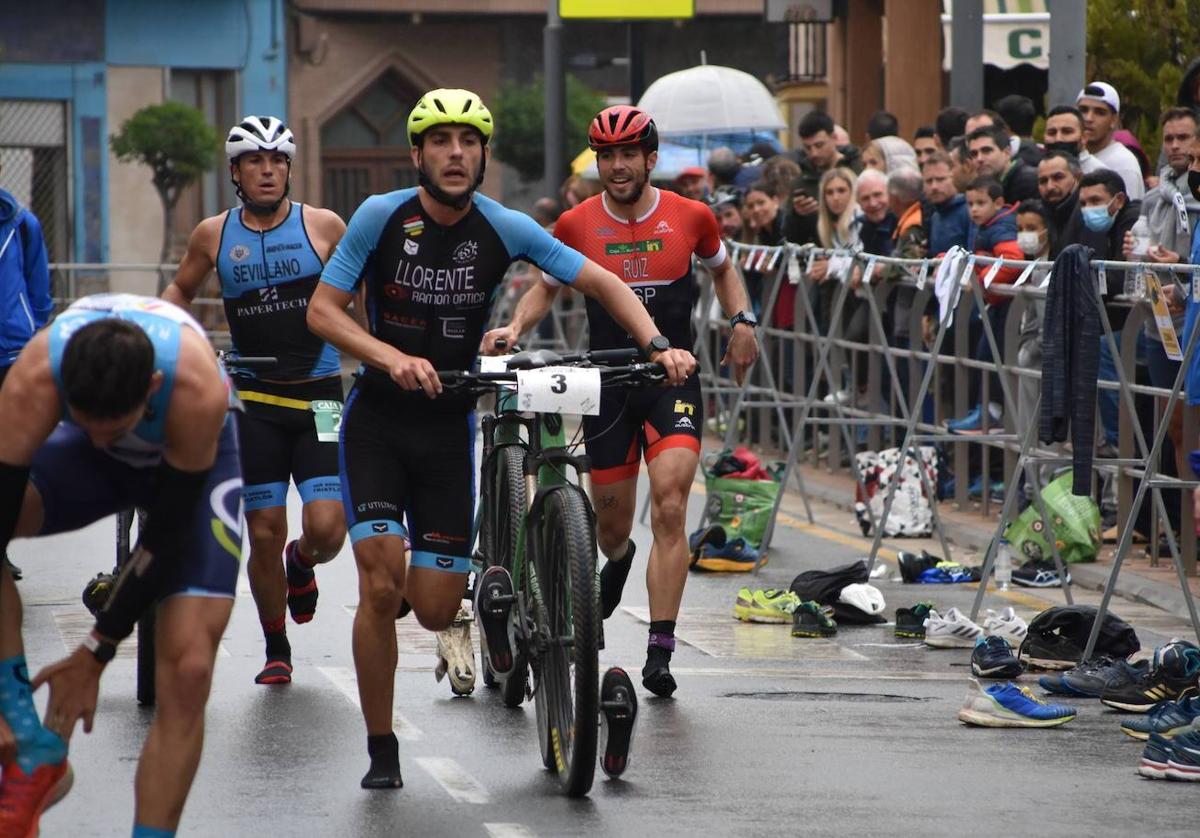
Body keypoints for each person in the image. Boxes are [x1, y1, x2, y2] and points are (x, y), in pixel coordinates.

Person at [306, 91, 698, 787]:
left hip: (447, 426)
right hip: (378, 422)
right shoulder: (378, 217)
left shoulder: (503, 224)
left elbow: (602, 281)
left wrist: (660, 344)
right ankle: (382, 748)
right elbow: (322, 312)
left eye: (469, 142)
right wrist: (387, 356)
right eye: (440, 141)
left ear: (484, 156)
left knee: (430, 606)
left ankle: (472, 603)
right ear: (417, 154)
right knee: (377, 582)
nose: (456, 153)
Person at [483, 104, 758, 700]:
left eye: (627, 154)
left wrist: (742, 320)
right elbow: (546, 288)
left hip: (672, 379)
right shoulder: (578, 223)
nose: (616, 165)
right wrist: (515, 330)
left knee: (670, 504)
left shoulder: (693, 216)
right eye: (606, 155)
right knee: (609, 529)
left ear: (650, 159)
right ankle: (620, 554)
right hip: (605, 384)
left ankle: (660, 650)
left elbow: (725, 270)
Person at [0, 293, 241, 836]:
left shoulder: (194, 389)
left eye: (114, 425)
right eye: (89, 422)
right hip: (84, 463)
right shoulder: (33, 377)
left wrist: (95, 653)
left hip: (186, 460)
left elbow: (165, 537)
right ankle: (29, 748)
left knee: (190, 668)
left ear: (150, 390)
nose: (105, 434)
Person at [163, 116, 350, 689]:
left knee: (328, 528)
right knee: (262, 529)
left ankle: (303, 562)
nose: (267, 171)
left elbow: (358, 301)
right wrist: (163, 338)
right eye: (254, 162)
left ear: (289, 169)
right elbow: (180, 292)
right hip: (254, 401)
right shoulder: (213, 235)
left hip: (319, 396)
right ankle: (277, 646)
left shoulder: (323, 226)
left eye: (277, 162)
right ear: (236, 173)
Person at [0, 163, 52, 584]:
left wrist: (36, 337)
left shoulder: (20, 223)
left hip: (13, 354)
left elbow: (38, 289)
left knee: (12, 458)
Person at [945, 176, 1022, 433]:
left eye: (980, 202)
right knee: (984, 355)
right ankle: (985, 410)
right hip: (996, 305)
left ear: (998, 202)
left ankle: (992, 412)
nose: (974, 209)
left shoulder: (1000, 227)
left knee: (992, 356)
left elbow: (1012, 259)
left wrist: (979, 279)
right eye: (969, 203)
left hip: (1006, 305)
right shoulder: (989, 225)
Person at [786, 110, 863, 245]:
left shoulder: (857, 168)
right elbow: (791, 236)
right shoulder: (801, 182)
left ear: (834, 138)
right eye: (807, 148)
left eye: (819, 145)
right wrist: (798, 215)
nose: (814, 153)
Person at [1077, 82, 1145, 200]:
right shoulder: (1073, 156)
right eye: (1083, 110)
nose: (1089, 118)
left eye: (1099, 112)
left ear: (1114, 120)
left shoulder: (1124, 163)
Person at [966, 125, 1038, 204]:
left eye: (986, 151)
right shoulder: (990, 186)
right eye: (974, 154)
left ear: (1007, 153)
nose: (979, 159)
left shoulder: (1029, 182)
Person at [1042, 105, 1102, 173]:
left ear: (1084, 138)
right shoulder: (1037, 171)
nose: (1058, 139)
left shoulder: (1099, 175)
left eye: (1067, 132)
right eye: (1051, 133)